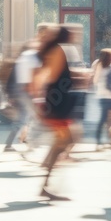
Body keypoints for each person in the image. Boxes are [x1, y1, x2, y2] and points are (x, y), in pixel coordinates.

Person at [33, 25, 84, 202]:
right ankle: (46, 180)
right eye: (75, 33)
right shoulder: (59, 50)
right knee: (68, 139)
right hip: (57, 102)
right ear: (67, 35)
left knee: (68, 139)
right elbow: (51, 75)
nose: (78, 36)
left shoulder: (60, 49)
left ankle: (47, 180)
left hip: (59, 101)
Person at [3, 24, 51, 153]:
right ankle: (27, 143)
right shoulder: (33, 56)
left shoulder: (26, 55)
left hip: (21, 89)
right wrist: (35, 92)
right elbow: (31, 77)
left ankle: (18, 143)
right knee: (31, 117)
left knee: (26, 117)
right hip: (24, 90)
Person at [92, 48, 111, 150]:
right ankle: (107, 141)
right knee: (109, 120)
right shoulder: (109, 68)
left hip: (101, 96)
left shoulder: (98, 66)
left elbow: (95, 82)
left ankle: (101, 141)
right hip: (109, 97)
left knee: (105, 120)